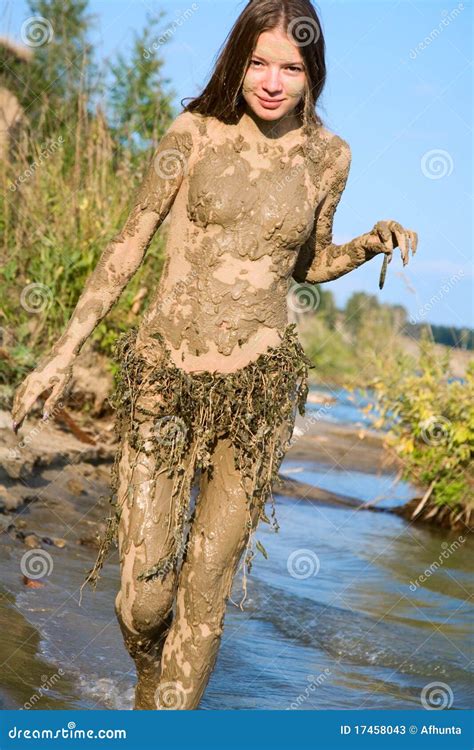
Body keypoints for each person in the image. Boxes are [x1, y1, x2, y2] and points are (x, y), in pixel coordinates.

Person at [11, 0, 417, 710]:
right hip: (164, 377)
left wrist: (364, 246)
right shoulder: (192, 133)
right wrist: (61, 354)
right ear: (237, 59)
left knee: (205, 589)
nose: (272, 81)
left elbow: (307, 263)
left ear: (311, 71)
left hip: (258, 390)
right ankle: (148, 675)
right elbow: (131, 241)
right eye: (258, 62)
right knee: (142, 601)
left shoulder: (330, 156)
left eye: (290, 67)